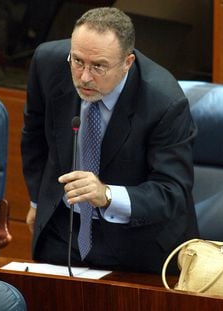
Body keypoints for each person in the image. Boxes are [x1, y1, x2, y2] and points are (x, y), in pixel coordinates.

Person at [21, 7, 199, 274]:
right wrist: (37, 201)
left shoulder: (164, 102)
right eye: (78, 61)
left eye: (99, 66)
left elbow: (171, 192)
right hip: (64, 231)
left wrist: (106, 195)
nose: (84, 77)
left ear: (127, 62)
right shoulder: (47, 63)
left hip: (138, 243)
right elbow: (34, 136)